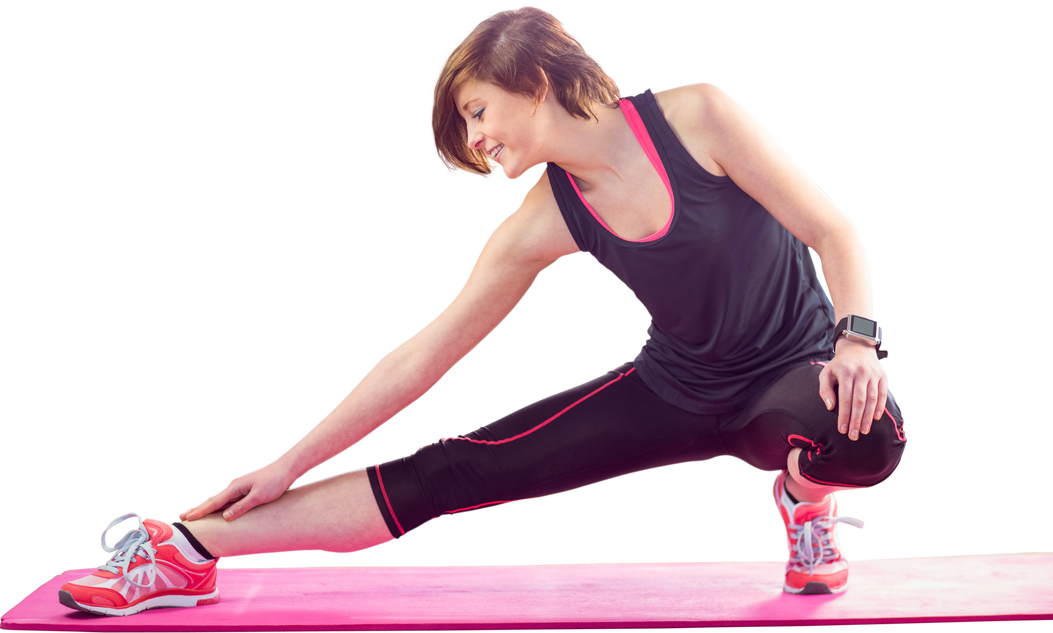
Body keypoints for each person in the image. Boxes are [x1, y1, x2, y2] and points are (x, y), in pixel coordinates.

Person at [59, 4, 908, 617]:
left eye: (476, 113)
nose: (474, 142)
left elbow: (835, 228)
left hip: (800, 374)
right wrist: (286, 463)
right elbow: (425, 356)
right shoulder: (542, 218)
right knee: (457, 467)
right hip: (678, 389)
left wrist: (858, 339)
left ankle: (804, 500)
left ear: (533, 78)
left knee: (868, 432)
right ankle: (186, 549)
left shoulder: (699, 116)